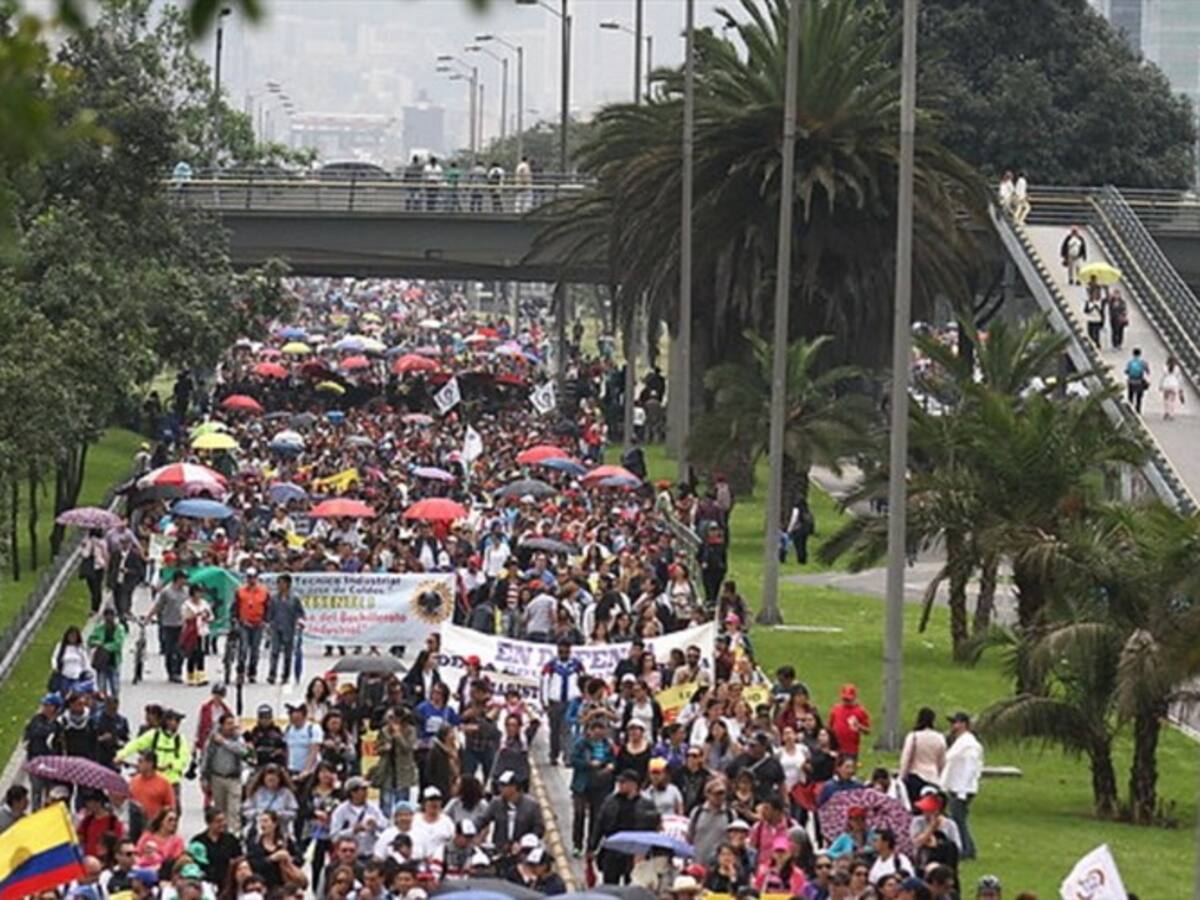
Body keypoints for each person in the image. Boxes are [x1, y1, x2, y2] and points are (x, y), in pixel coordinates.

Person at [592, 769, 658, 884]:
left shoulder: (646, 805)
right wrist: (592, 845)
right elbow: (600, 823)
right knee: (610, 884)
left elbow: (652, 829)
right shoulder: (610, 801)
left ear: (633, 785)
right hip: (613, 847)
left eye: (623, 783)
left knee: (632, 883)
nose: (620, 785)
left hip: (634, 849)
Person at [939, 712, 984, 861]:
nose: (953, 726)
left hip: (962, 788)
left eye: (955, 722)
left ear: (964, 724)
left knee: (958, 819)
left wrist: (962, 791)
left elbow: (970, 768)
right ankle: (968, 849)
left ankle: (966, 849)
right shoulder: (961, 742)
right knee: (958, 818)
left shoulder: (969, 744)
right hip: (956, 786)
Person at [200, 713, 250, 831]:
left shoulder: (237, 738)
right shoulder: (213, 740)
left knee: (234, 810)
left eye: (233, 723)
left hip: (233, 779)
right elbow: (206, 757)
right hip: (217, 778)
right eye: (228, 724)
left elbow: (243, 752)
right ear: (221, 725)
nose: (231, 726)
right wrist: (204, 777)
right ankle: (221, 833)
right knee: (220, 810)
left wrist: (224, 742)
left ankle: (234, 834)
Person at [540, 640, 584, 766]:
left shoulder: (576, 665)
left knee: (567, 730)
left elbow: (583, 681)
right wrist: (544, 701)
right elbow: (544, 682)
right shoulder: (551, 665)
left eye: (566, 650)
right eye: (561, 650)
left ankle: (568, 757)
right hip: (555, 702)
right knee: (554, 730)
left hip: (571, 702)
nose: (563, 652)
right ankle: (554, 754)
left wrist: (581, 698)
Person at [898, 707, 946, 804]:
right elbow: (942, 760)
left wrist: (901, 777)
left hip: (915, 776)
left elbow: (906, 758)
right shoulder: (940, 738)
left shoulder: (914, 736)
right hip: (933, 776)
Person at [267, 574, 304, 685]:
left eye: (282, 583)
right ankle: (272, 674)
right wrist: (269, 624)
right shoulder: (273, 598)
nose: (279, 586)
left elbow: (300, 613)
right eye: (278, 583)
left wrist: (299, 621)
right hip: (276, 628)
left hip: (289, 628)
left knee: (288, 654)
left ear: (288, 584)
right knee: (274, 652)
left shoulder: (294, 599)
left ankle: (285, 675)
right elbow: (270, 613)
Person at [234, 568, 269, 682]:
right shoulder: (240, 591)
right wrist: (236, 619)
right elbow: (235, 607)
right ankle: (240, 671)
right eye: (249, 577)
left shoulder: (264, 592)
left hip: (258, 624)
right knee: (243, 649)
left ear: (257, 578)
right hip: (244, 623)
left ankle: (252, 672)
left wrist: (265, 621)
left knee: (255, 650)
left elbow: (268, 608)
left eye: (253, 577)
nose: (251, 580)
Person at [86, 608, 125, 698]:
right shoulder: (99, 628)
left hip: (114, 661)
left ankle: (114, 703)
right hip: (102, 661)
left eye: (111, 615)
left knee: (115, 686)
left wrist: (104, 646)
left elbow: (118, 644)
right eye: (107, 615)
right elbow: (90, 640)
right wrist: (96, 642)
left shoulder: (119, 629)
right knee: (101, 686)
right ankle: (103, 705)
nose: (109, 618)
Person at [828, 684, 871, 758]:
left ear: (854, 698)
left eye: (849, 700)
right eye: (844, 699)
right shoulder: (835, 709)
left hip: (851, 750)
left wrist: (859, 726)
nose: (846, 702)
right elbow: (830, 728)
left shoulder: (860, 711)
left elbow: (868, 730)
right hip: (836, 748)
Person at [1125, 347, 1150, 414]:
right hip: (1139, 381)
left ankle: (1129, 409)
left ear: (1133, 354)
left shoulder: (1130, 362)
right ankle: (1138, 409)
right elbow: (1147, 371)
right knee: (1139, 396)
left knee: (1130, 395)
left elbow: (1126, 371)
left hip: (1131, 381)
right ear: (1140, 354)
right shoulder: (1143, 362)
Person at [1161, 355, 1185, 420]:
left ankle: (1166, 412)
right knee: (1173, 400)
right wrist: (1181, 388)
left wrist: (1160, 385)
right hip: (1174, 385)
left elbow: (1162, 377)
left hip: (1166, 384)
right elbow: (1180, 378)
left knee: (1165, 399)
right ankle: (1172, 414)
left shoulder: (1165, 367)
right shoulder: (1177, 368)